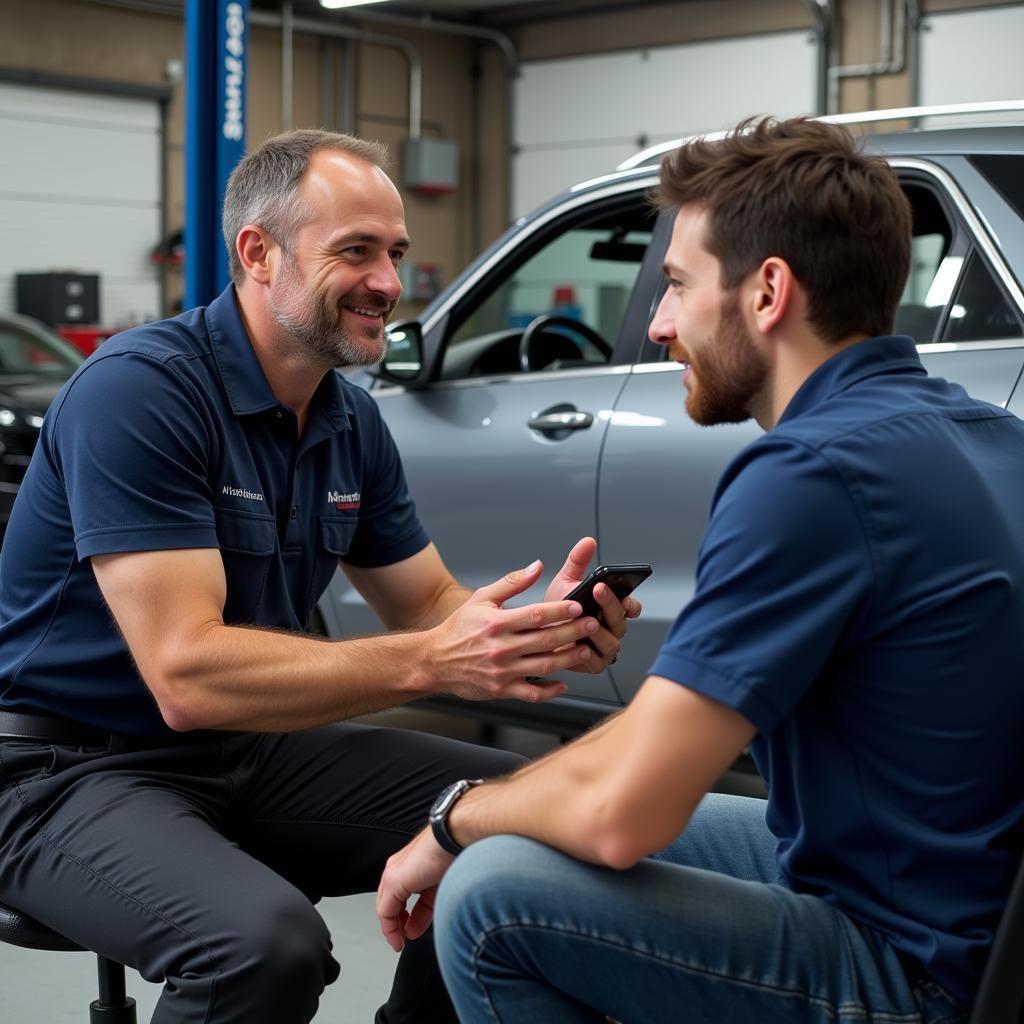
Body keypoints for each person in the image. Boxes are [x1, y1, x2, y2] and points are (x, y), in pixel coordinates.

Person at [375, 116, 1024, 1024]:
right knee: (553, 825)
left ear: (767, 292)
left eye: (677, 284)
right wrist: (491, 800)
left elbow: (619, 818)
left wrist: (454, 823)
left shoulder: (807, 474)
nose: (658, 321)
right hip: (970, 908)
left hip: (918, 970)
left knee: (493, 897)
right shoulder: (994, 437)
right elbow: (660, 747)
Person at [0, 129, 639, 1024]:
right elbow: (185, 675)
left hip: (252, 752)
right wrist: (426, 663)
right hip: (66, 771)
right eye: (356, 251)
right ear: (257, 254)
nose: (389, 281)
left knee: (527, 820)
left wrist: (526, 631)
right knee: (261, 949)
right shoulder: (141, 392)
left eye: (397, 253)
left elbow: (427, 602)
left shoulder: (347, 419)